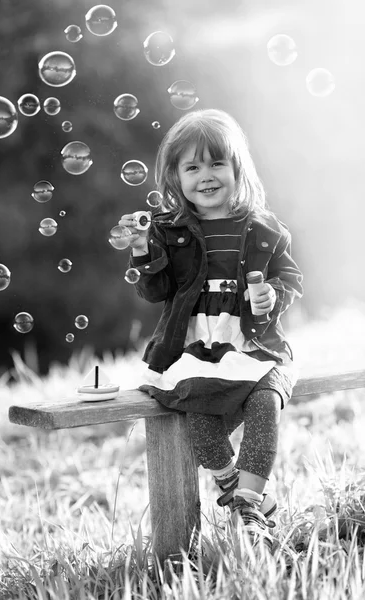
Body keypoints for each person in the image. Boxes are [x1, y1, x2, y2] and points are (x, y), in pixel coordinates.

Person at [117, 108, 303, 549]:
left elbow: (291, 279)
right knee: (193, 401)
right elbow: (155, 289)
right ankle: (230, 484)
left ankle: (249, 500)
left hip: (254, 343)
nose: (206, 174)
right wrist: (143, 250)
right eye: (192, 166)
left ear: (238, 168)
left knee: (265, 399)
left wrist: (272, 294)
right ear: (176, 177)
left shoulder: (264, 228)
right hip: (193, 346)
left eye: (217, 162)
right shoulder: (168, 232)